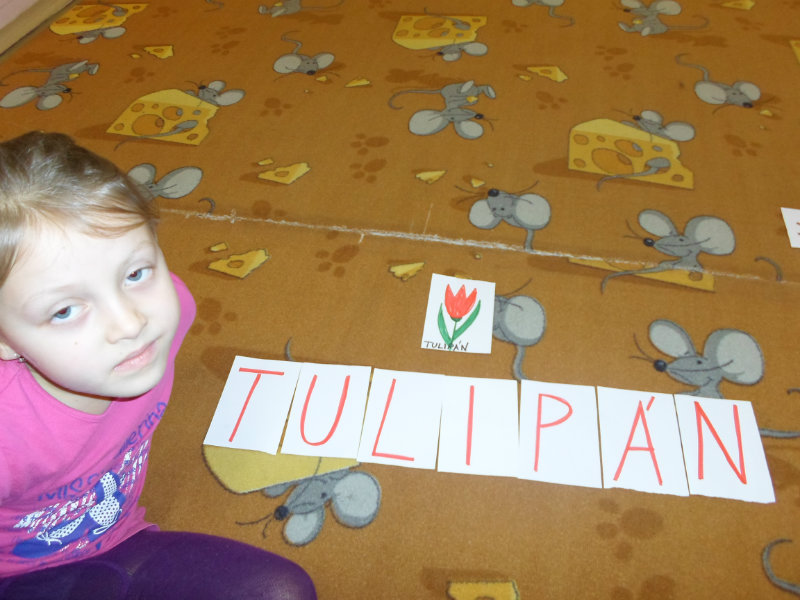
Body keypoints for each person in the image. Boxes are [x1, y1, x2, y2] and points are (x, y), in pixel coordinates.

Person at [0, 132, 317, 600]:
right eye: (64, 310)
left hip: (118, 541)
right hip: (16, 578)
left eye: (135, 273)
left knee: (283, 592)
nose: (131, 323)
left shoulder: (172, 311)